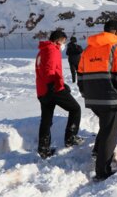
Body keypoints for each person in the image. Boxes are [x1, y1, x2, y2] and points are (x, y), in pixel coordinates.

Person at [77, 20, 117, 181]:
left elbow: (80, 75)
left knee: (105, 126)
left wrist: (86, 93)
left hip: (93, 98)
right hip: (110, 98)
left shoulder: (88, 49)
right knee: (110, 133)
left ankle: (97, 151)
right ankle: (103, 170)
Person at [35, 30, 82, 159]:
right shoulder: (52, 50)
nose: (63, 45)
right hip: (52, 89)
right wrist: (57, 85)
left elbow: (47, 70)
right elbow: (49, 71)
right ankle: (70, 138)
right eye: (63, 42)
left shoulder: (42, 50)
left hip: (42, 90)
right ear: (58, 40)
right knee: (75, 109)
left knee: (46, 119)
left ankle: (43, 149)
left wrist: (60, 83)